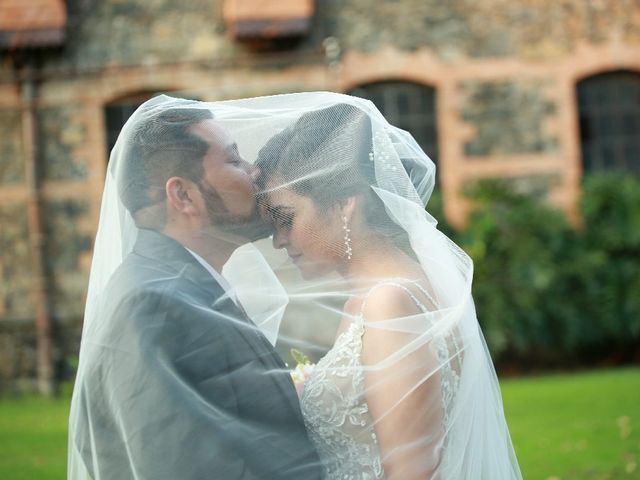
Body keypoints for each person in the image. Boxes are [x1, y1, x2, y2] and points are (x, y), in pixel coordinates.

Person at [251, 94, 523, 479]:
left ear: (345, 204)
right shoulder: (385, 293)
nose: (279, 240)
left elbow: (412, 471)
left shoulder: (389, 303)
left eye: (285, 219)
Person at [67, 95, 323, 479]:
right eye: (235, 160)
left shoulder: (187, 286)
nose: (255, 172)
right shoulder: (152, 305)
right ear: (183, 195)